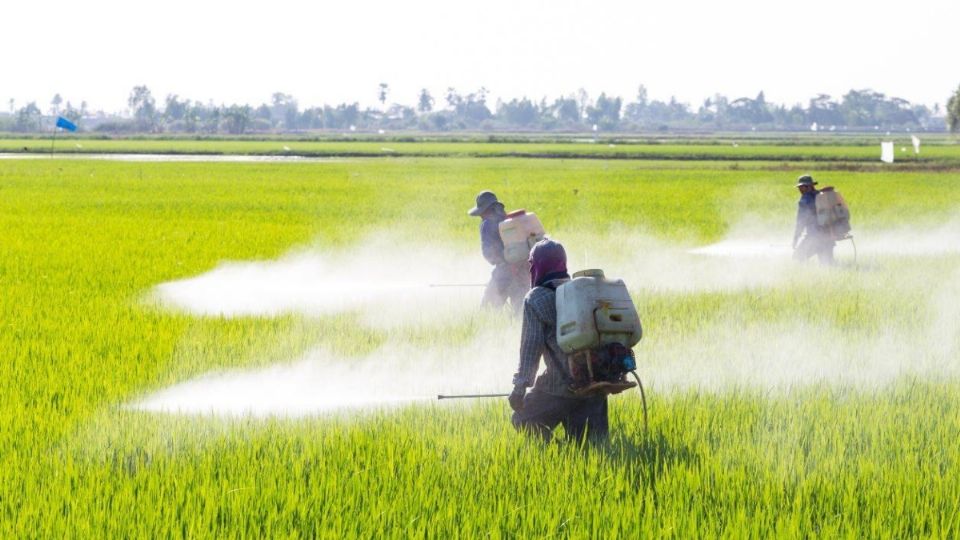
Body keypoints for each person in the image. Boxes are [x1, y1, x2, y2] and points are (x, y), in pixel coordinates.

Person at [508, 239, 609, 443]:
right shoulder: (582, 291)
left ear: (538, 266)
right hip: (596, 386)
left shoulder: (536, 298)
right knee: (593, 452)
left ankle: (559, 451)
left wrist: (519, 389)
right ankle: (567, 458)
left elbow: (530, 350)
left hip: (558, 388)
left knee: (522, 419)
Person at [467, 191, 529, 312]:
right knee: (520, 313)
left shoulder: (487, 224)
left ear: (485, 210)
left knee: (487, 311)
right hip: (523, 270)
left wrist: (497, 276)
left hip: (504, 273)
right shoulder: (508, 219)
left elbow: (489, 253)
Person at [792, 175, 835, 265]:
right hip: (829, 237)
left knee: (797, 258)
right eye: (799, 187)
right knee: (828, 265)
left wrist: (796, 238)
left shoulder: (805, 200)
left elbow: (801, 221)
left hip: (814, 238)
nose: (800, 190)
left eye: (801, 187)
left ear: (809, 186)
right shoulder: (822, 196)